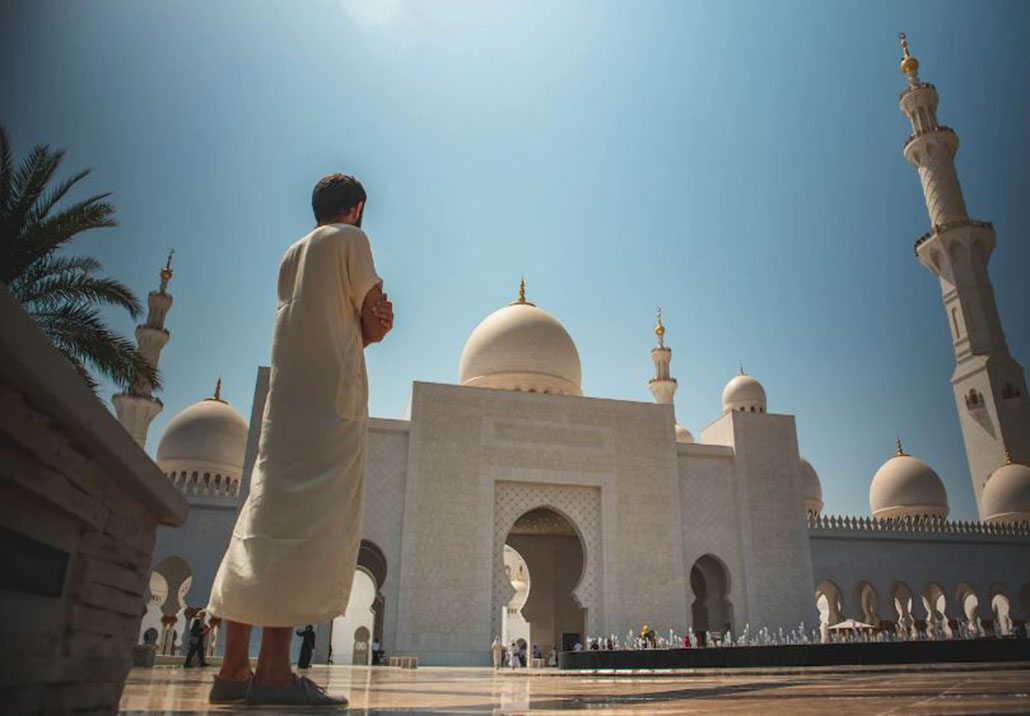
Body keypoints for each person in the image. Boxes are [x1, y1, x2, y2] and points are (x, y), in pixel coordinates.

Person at [206, 175, 394, 708]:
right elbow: (373, 317)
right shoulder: (351, 241)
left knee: (263, 520)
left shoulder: (291, 256)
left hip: (285, 404)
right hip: (329, 403)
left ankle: (231, 667)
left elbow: (326, 318)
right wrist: (380, 321)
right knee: (305, 526)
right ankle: (272, 673)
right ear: (357, 208)